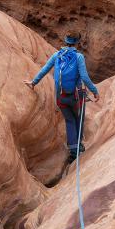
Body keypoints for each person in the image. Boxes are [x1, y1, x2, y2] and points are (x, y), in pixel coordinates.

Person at [24, 31, 99, 164]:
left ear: (65, 41)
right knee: (79, 119)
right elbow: (84, 77)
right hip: (76, 96)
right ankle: (78, 147)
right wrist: (94, 91)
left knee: (70, 121)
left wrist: (33, 82)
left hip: (61, 96)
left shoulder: (57, 55)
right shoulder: (79, 57)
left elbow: (45, 69)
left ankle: (73, 151)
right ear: (77, 43)